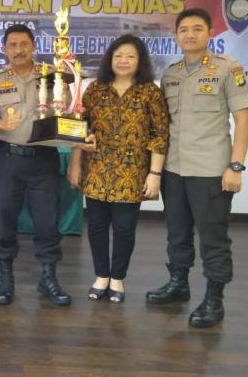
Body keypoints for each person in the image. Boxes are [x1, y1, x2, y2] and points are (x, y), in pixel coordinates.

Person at [145, 8, 248, 328]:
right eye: (184, 30)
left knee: (212, 237)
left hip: (210, 170)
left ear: (209, 33)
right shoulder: (170, 74)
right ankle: (178, 284)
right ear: (176, 36)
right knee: (177, 233)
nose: (190, 34)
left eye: (197, 28)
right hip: (174, 169)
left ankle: (214, 298)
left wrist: (236, 165)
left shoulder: (228, 68)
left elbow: (243, 118)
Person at [0, 24, 91, 306]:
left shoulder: (54, 76)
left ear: (33, 46)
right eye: (12, 45)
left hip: (43, 160)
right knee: (4, 218)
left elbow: (70, 112)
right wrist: (1, 124)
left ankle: (48, 277)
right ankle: (5, 278)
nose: (18, 50)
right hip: (8, 158)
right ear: (4, 49)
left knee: (47, 221)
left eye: (24, 44)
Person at [68, 34, 169, 303]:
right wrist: (75, 163)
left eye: (130, 56)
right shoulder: (95, 90)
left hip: (132, 173)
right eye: (118, 56)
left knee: (124, 228)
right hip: (97, 170)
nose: (123, 61)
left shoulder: (150, 92)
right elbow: (79, 129)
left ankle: (118, 278)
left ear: (140, 60)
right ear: (110, 59)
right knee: (97, 227)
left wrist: (155, 174)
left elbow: (160, 135)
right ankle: (101, 275)